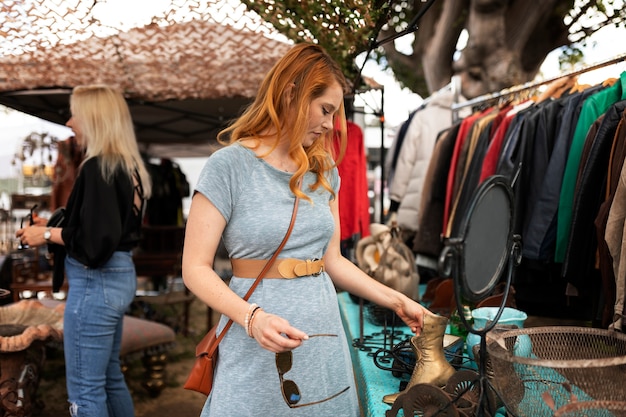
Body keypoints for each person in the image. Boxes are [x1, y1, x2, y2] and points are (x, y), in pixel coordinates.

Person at [182, 42, 434, 416]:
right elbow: (194, 268)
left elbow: (333, 261)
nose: (332, 125)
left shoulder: (324, 170)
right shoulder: (229, 166)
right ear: (291, 94)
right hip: (255, 337)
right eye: (326, 110)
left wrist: (397, 300)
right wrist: (252, 318)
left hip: (323, 334)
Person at [16, 84, 152, 417]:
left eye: (75, 113)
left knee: (85, 391)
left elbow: (94, 243)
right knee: (109, 380)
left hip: (96, 282)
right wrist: (51, 226)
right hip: (118, 278)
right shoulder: (130, 167)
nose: (70, 121)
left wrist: (45, 232)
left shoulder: (98, 167)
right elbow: (104, 229)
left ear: (93, 118)